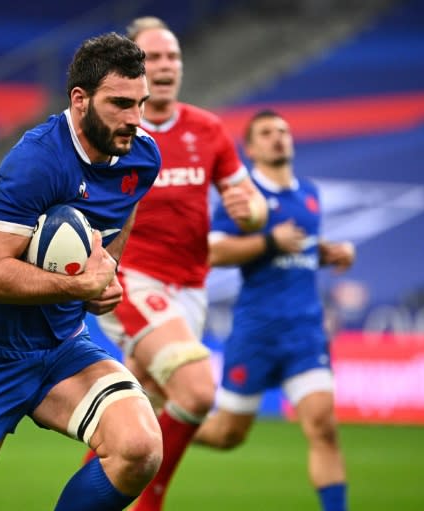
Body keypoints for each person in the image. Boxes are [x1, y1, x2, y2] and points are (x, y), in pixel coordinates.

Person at [0, 33, 164, 511]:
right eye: (120, 104)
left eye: (141, 103)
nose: (134, 119)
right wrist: (79, 285)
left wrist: (108, 270)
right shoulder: (37, 160)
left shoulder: (142, 156)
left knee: (138, 448)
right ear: (79, 100)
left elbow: (125, 208)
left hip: (61, 348)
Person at [92, 17, 267, 510]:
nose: (166, 66)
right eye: (155, 58)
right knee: (195, 390)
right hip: (129, 279)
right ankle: (151, 504)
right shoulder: (114, 131)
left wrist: (248, 212)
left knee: (136, 415)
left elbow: (248, 204)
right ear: (133, 69)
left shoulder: (207, 129)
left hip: (190, 288)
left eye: (173, 57)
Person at [192, 109, 354, 511]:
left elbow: (299, 250)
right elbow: (214, 250)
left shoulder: (310, 195)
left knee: (323, 427)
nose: (278, 137)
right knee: (227, 435)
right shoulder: (242, 198)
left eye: (283, 131)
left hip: (305, 332)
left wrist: (329, 252)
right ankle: (168, 426)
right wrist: (269, 242)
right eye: (266, 133)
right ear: (250, 148)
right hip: (257, 333)